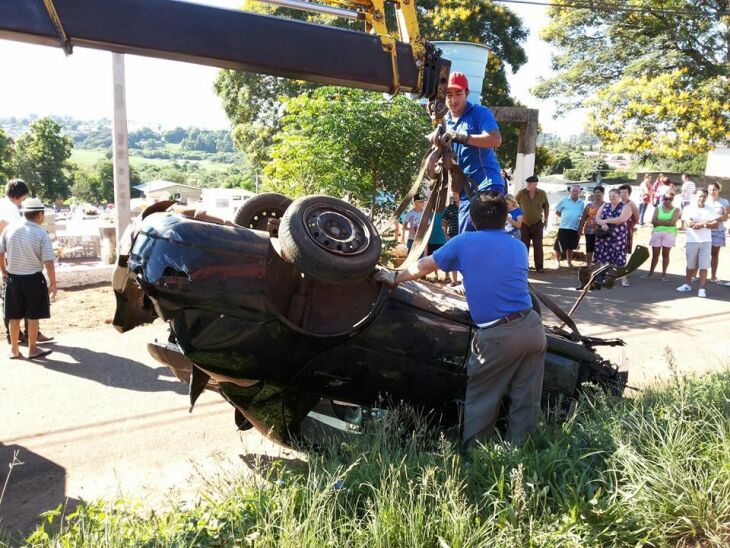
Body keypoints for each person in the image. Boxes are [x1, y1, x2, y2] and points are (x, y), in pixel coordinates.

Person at [373, 191, 546, 446]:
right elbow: (496, 274)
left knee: (482, 398)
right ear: (505, 218)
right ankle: (520, 455)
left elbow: (424, 266)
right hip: (532, 329)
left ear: (473, 220)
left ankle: (475, 459)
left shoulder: (465, 242)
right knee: (526, 399)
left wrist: (393, 277)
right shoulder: (518, 246)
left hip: (498, 336)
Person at [435, 71, 503, 233]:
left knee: (480, 237)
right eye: (449, 95)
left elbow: (495, 139)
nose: (453, 99)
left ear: (467, 93)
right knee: (465, 236)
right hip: (466, 190)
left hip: (487, 184)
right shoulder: (445, 122)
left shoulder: (479, 113)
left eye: (458, 93)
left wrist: (461, 137)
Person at [0, 197, 57, 359]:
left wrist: (4, 270)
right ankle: (32, 349)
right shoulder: (40, 233)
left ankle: (14, 350)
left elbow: (0, 251)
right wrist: (53, 283)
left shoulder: (9, 229)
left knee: (13, 316)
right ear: (39, 215)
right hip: (33, 280)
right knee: (33, 316)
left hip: (13, 279)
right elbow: (48, 261)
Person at [676, 188, 718, 298]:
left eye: (704, 196)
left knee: (704, 266)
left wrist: (703, 224)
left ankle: (702, 288)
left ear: (706, 197)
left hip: (706, 241)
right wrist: (706, 223)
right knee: (690, 265)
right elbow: (689, 223)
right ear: (695, 196)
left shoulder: (710, 209)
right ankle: (687, 284)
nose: (702, 198)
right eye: (700, 196)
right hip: (692, 240)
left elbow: (716, 224)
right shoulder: (689, 208)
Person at [515, 175, 549, 272]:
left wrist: (546, 220)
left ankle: (539, 266)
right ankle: (524, 266)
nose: (528, 185)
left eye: (530, 183)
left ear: (535, 184)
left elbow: (546, 206)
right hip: (524, 223)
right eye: (528, 183)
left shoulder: (542, 193)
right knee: (524, 246)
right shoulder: (521, 193)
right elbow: (514, 204)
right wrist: (516, 218)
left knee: (538, 245)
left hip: (537, 223)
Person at [643, 192, 680, 281]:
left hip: (669, 234)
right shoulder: (658, 209)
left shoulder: (676, 210)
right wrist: (666, 221)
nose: (667, 201)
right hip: (657, 233)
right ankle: (651, 273)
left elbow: (672, 222)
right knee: (655, 255)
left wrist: (660, 221)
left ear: (672, 200)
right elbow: (654, 221)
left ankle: (664, 274)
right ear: (663, 199)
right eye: (666, 199)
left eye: (670, 199)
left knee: (665, 255)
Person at [594, 188, 632, 272]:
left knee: (619, 257)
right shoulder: (605, 205)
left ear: (619, 196)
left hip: (618, 237)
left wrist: (606, 221)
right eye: (610, 196)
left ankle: (623, 277)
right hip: (605, 235)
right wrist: (602, 224)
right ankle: (603, 276)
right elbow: (597, 218)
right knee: (604, 256)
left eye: (614, 195)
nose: (611, 197)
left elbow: (620, 219)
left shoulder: (626, 206)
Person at [553, 184, 585, 268]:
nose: (575, 192)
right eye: (573, 191)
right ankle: (557, 262)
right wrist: (565, 217)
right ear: (570, 191)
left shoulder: (581, 203)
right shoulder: (564, 200)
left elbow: (583, 215)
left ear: (579, 192)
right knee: (559, 246)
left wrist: (580, 227)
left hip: (575, 227)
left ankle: (569, 262)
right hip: (564, 227)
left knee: (571, 246)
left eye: (576, 191)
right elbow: (557, 211)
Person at [577, 185, 605, 271]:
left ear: (603, 194)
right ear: (593, 194)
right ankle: (588, 266)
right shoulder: (589, 205)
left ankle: (598, 267)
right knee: (589, 248)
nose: (597, 194)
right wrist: (580, 228)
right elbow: (584, 217)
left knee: (600, 248)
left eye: (599, 192)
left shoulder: (606, 205)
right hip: (589, 231)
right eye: (596, 192)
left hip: (602, 231)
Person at [618, 184, 640, 286]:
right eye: (621, 192)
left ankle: (623, 277)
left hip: (626, 232)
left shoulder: (631, 204)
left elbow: (636, 218)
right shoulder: (615, 203)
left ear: (629, 193)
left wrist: (630, 227)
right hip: (615, 232)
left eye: (625, 192)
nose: (623, 194)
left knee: (623, 254)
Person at [706, 182, 728, 284]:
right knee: (702, 252)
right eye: (710, 189)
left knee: (714, 254)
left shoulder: (724, 202)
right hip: (705, 230)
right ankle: (694, 275)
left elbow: (725, 217)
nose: (712, 191)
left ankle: (713, 276)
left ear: (718, 190)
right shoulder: (704, 201)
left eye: (714, 189)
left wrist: (717, 217)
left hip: (718, 230)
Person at [441, 195, 461, 286]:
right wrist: (446, 234)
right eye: (454, 194)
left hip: (465, 235)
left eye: (457, 194)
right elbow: (444, 222)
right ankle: (455, 281)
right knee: (453, 258)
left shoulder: (467, 205)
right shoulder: (450, 208)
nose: (455, 196)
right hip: (453, 236)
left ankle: (466, 282)